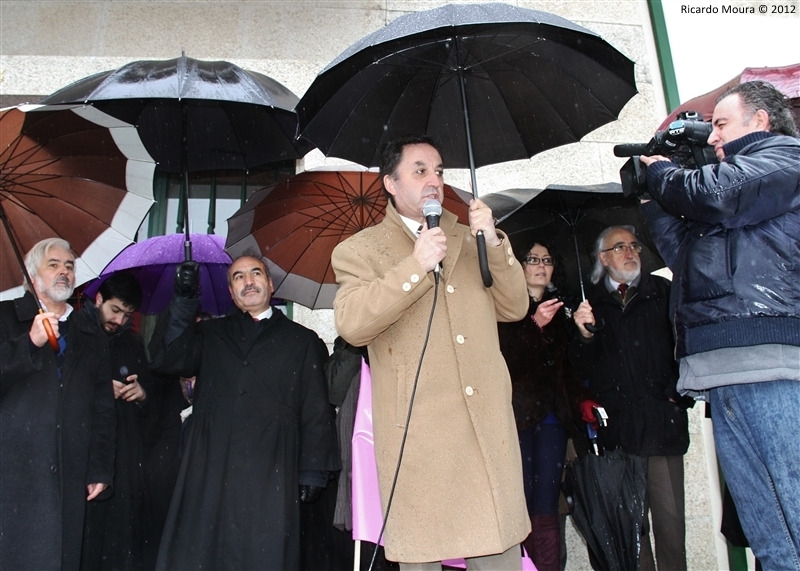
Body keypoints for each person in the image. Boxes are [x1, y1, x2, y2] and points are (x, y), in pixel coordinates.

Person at [331, 134, 531, 569]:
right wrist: (415, 266)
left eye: (438, 171)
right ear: (390, 183)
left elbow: (515, 307)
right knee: (421, 557)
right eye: (419, 170)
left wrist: (493, 242)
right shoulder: (360, 250)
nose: (434, 180)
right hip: (418, 439)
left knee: (498, 555)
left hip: (484, 432)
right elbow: (353, 324)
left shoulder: (470, 237)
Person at [639, 80, 800, 568]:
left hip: (773, 361)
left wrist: (665, 173)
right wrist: (652, 197)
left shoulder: (786, 159)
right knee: (768, 533)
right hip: (722, 369)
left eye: (721, 124)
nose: (712, 138)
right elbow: (686, 259)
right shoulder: (730, 187)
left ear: (761, 121)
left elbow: (717, 194)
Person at [149, 254, 340, 570]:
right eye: (238, 277)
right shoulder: (210, 334)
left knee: (263, 553)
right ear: (231, 291)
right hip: (211, 467)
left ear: (271, 284)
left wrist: (312, 470)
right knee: (204, 553)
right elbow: (168, 359)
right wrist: (183, 299)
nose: (248, 281)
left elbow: (316, 410)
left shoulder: (302, 341)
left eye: (255, 273)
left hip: (272, 469)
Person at [571, 225, 691, 571]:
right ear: (603, 258)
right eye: (619, 247)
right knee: (631, 536)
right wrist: (583, 335)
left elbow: (686, 344)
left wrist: (676, 393)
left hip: (662, 427)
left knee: (671, 531)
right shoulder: (589, 304)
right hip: (618, 434)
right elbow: (579, 371)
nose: (630, 252)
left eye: (634, 246)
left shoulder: (663, 292)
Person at [0, 237, 116, 570]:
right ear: (33, 276)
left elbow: (103, 408)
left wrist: (99, 467)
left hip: (69, 469)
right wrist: (29, 343)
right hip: (14, 468)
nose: (64, 271)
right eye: (53, 265)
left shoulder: (90, 332)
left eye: (69, 266)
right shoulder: (6, 318)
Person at [497, 239, 598, 571]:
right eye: (533, 259)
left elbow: (567, 370)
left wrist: (583, 333)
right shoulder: (502, 307)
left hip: (552, 418)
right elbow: (502, 363)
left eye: (547, 259)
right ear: (519, 265)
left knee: (546, 506)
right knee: (522, 503)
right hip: (517, 418)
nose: (541, 265)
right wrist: (533, 325)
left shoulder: (561, 311)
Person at [81, 271, 152, 571]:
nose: (119, 320)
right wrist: (97, 389)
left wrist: (142, 395)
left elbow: (151, 406)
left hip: (125, 459)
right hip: (86, 455)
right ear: (99, 299)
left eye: (127, 314)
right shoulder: (78, 336)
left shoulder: (132, 345)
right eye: (115, 310)